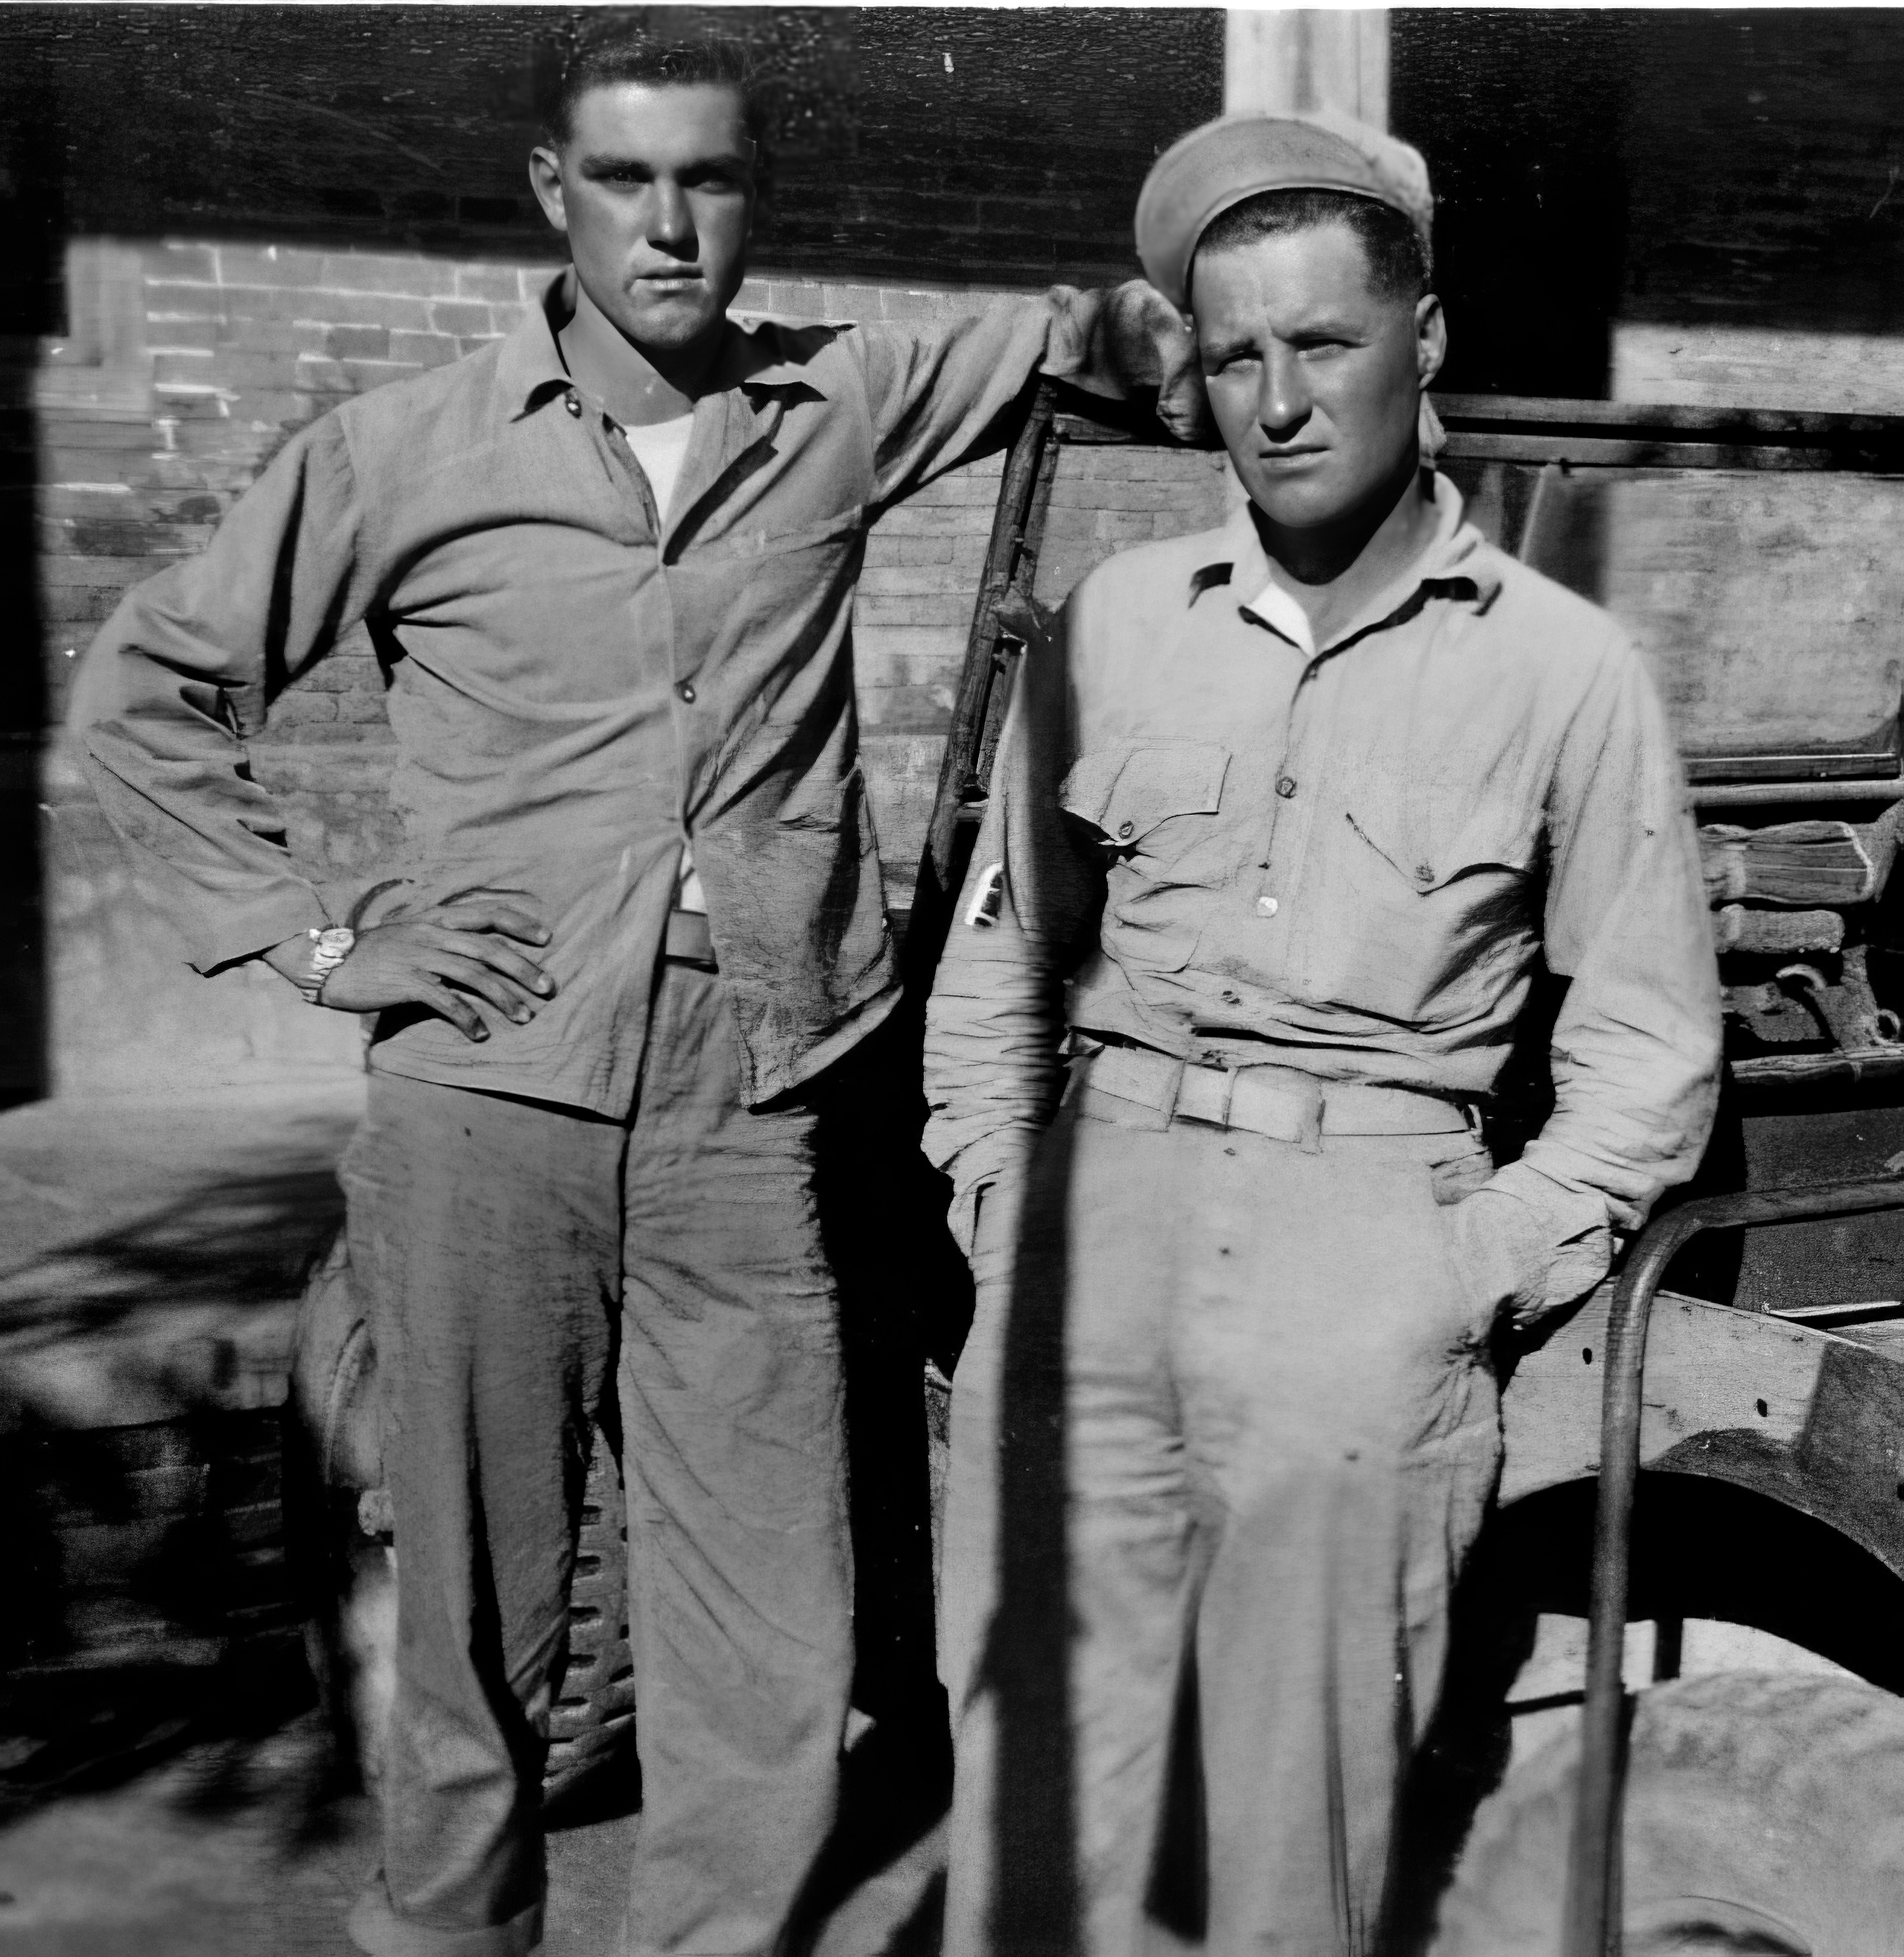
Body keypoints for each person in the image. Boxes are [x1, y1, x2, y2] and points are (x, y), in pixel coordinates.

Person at [69, 28, 1199, 1957]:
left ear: (755, 193)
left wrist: (1234, 299)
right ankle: (451, 1931)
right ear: (550, 193)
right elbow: (150, 695)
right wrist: (330, 940)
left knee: (771, 1612)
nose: (671, 225)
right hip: (488, 1091)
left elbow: (1078, 334)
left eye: (711, 180)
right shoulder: (404, 453)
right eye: (625, 181)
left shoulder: (836, 399)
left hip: (751, 1097)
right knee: (482, 1605)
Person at [922, 108, 1723, 1956]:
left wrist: (1456, 1273)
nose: (1275, 400)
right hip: (1088, 1244)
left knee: (1292, 1845)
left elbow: (1643, 1054)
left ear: (1421, 343)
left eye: (1321, 343)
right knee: (1034, 1822)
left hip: (1360, 1271)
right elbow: (998, 961)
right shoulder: (1111, 622)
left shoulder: (1561, 671)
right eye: (1231, 355)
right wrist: (999, 1209)